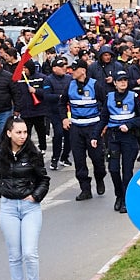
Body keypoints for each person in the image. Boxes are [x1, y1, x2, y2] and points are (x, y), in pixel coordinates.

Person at [0, 116, 51, 280]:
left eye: (25, 132)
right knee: (14, 254)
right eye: (19, 132)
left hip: (30, 207)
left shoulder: (33, 154)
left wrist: (35, 196)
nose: (23, 136)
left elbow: (44, 179)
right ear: (9, 133)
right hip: (8, 208)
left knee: (30, 252)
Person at [60, 60, 107, 201]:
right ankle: (85, 189)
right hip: (76, 128)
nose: (71, 72)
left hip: (93, 128)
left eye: (74, 69)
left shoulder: (95, 85)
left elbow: (106, 105)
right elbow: (62, 104)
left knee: (98, 158)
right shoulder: (69, 85)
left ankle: (100, 178)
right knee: (79, 160)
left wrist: (103, 125)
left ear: (83, 71)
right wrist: (64, 118)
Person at [104, 70, 140, 213]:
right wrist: (95, 136)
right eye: (120, 80)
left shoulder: (134, 96)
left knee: (127, 171)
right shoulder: (109, 97)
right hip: (113, 137)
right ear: (114, 83)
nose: (123, 83)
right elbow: (103, 117)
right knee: (113, 169)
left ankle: (127, 199)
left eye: (125, 80)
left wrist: (130, 125)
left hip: (129, 137)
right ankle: (118, 195)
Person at [44, 57, 72, 170]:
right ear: (54, 68)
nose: (64, 68)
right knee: (59, 134)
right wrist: (60, 97)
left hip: (68, 112)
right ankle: (55, 158)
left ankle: (64, 157)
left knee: (69, 136)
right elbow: (46, 96)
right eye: (61, 66)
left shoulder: (69, 78)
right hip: (55, 112)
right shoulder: (48, 80)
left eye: (64, 66)